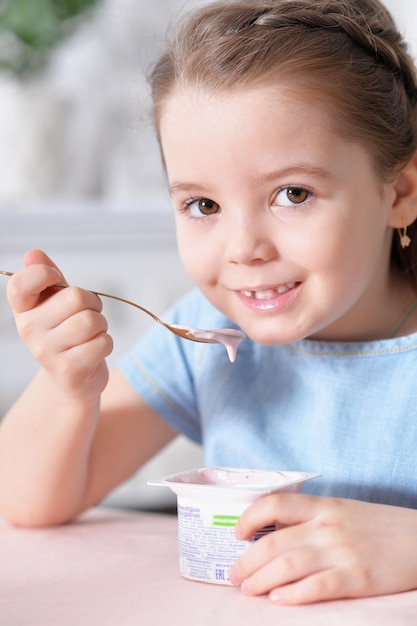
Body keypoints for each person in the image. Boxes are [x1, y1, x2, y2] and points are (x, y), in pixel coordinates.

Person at [2, 0, 417, 606]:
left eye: (292, 193)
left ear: (400, 192)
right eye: (203, 206)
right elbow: (26, 502)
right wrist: (69, 387)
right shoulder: (209, 335)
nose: (242, 249)